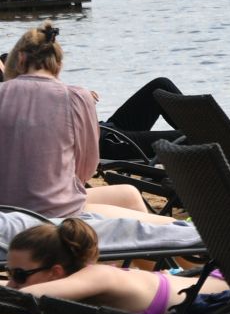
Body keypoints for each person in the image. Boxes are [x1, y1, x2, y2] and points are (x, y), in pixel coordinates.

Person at [0, 25, 152, 219]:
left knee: (129, 193)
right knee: (168, 225)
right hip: (54, 214)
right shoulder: (75, 97)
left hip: (5, 212)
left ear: (21, 59)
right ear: (59, 64)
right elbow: (85, 171)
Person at [7, 217, 228, 314]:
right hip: (201, 283)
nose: (11, 282)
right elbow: (13, 291)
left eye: (19, 275)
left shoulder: (97, 276)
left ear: (56, 272)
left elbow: (20, 296)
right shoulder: (85, 278)